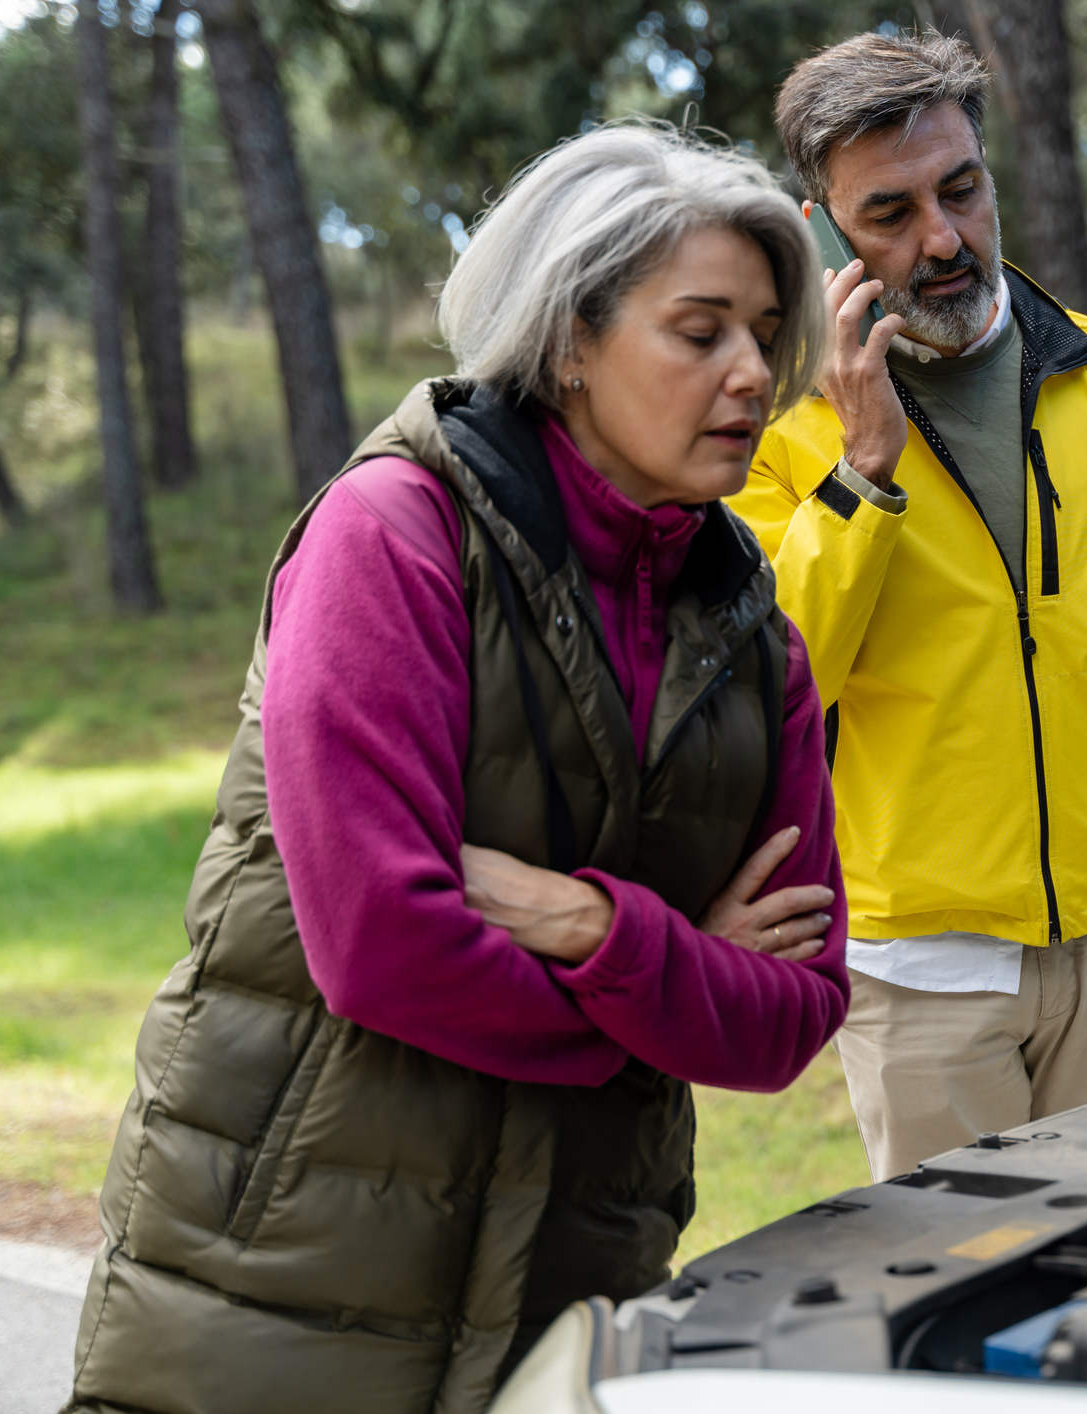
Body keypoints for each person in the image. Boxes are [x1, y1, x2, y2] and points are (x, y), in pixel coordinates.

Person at [66, 125, 848, 1414]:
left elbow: (797, 1015)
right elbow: (382, 946)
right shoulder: (392, 535)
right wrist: (664, 1000)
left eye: (767, 333)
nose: (754, 374)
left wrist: (589, 925)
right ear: (570, 341)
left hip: (572, 1281)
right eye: (700, 330)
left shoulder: (761, 643)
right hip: (271, 1288)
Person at [732, 31, 1087, 1183]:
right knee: (961, 1302)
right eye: (888, 212)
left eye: (961, 190)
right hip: (920, 976)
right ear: (820, 230)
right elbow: (771, 683)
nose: (940, 239)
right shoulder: (772, 429)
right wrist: (861, 471)